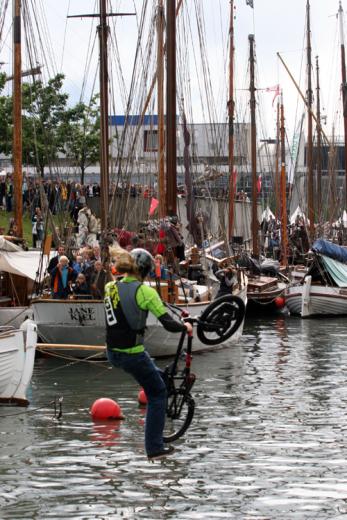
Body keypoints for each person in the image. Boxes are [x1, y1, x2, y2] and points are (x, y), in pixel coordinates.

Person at [104, 248, 193, 460]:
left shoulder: (110, 287)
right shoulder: (145, 292)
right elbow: (169, 324)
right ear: (145, 271)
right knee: (157, 393)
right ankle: (154, 447)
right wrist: (185, 327)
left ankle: (161, 385)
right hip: (132, 354)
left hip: (112, 352)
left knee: (153, 374)